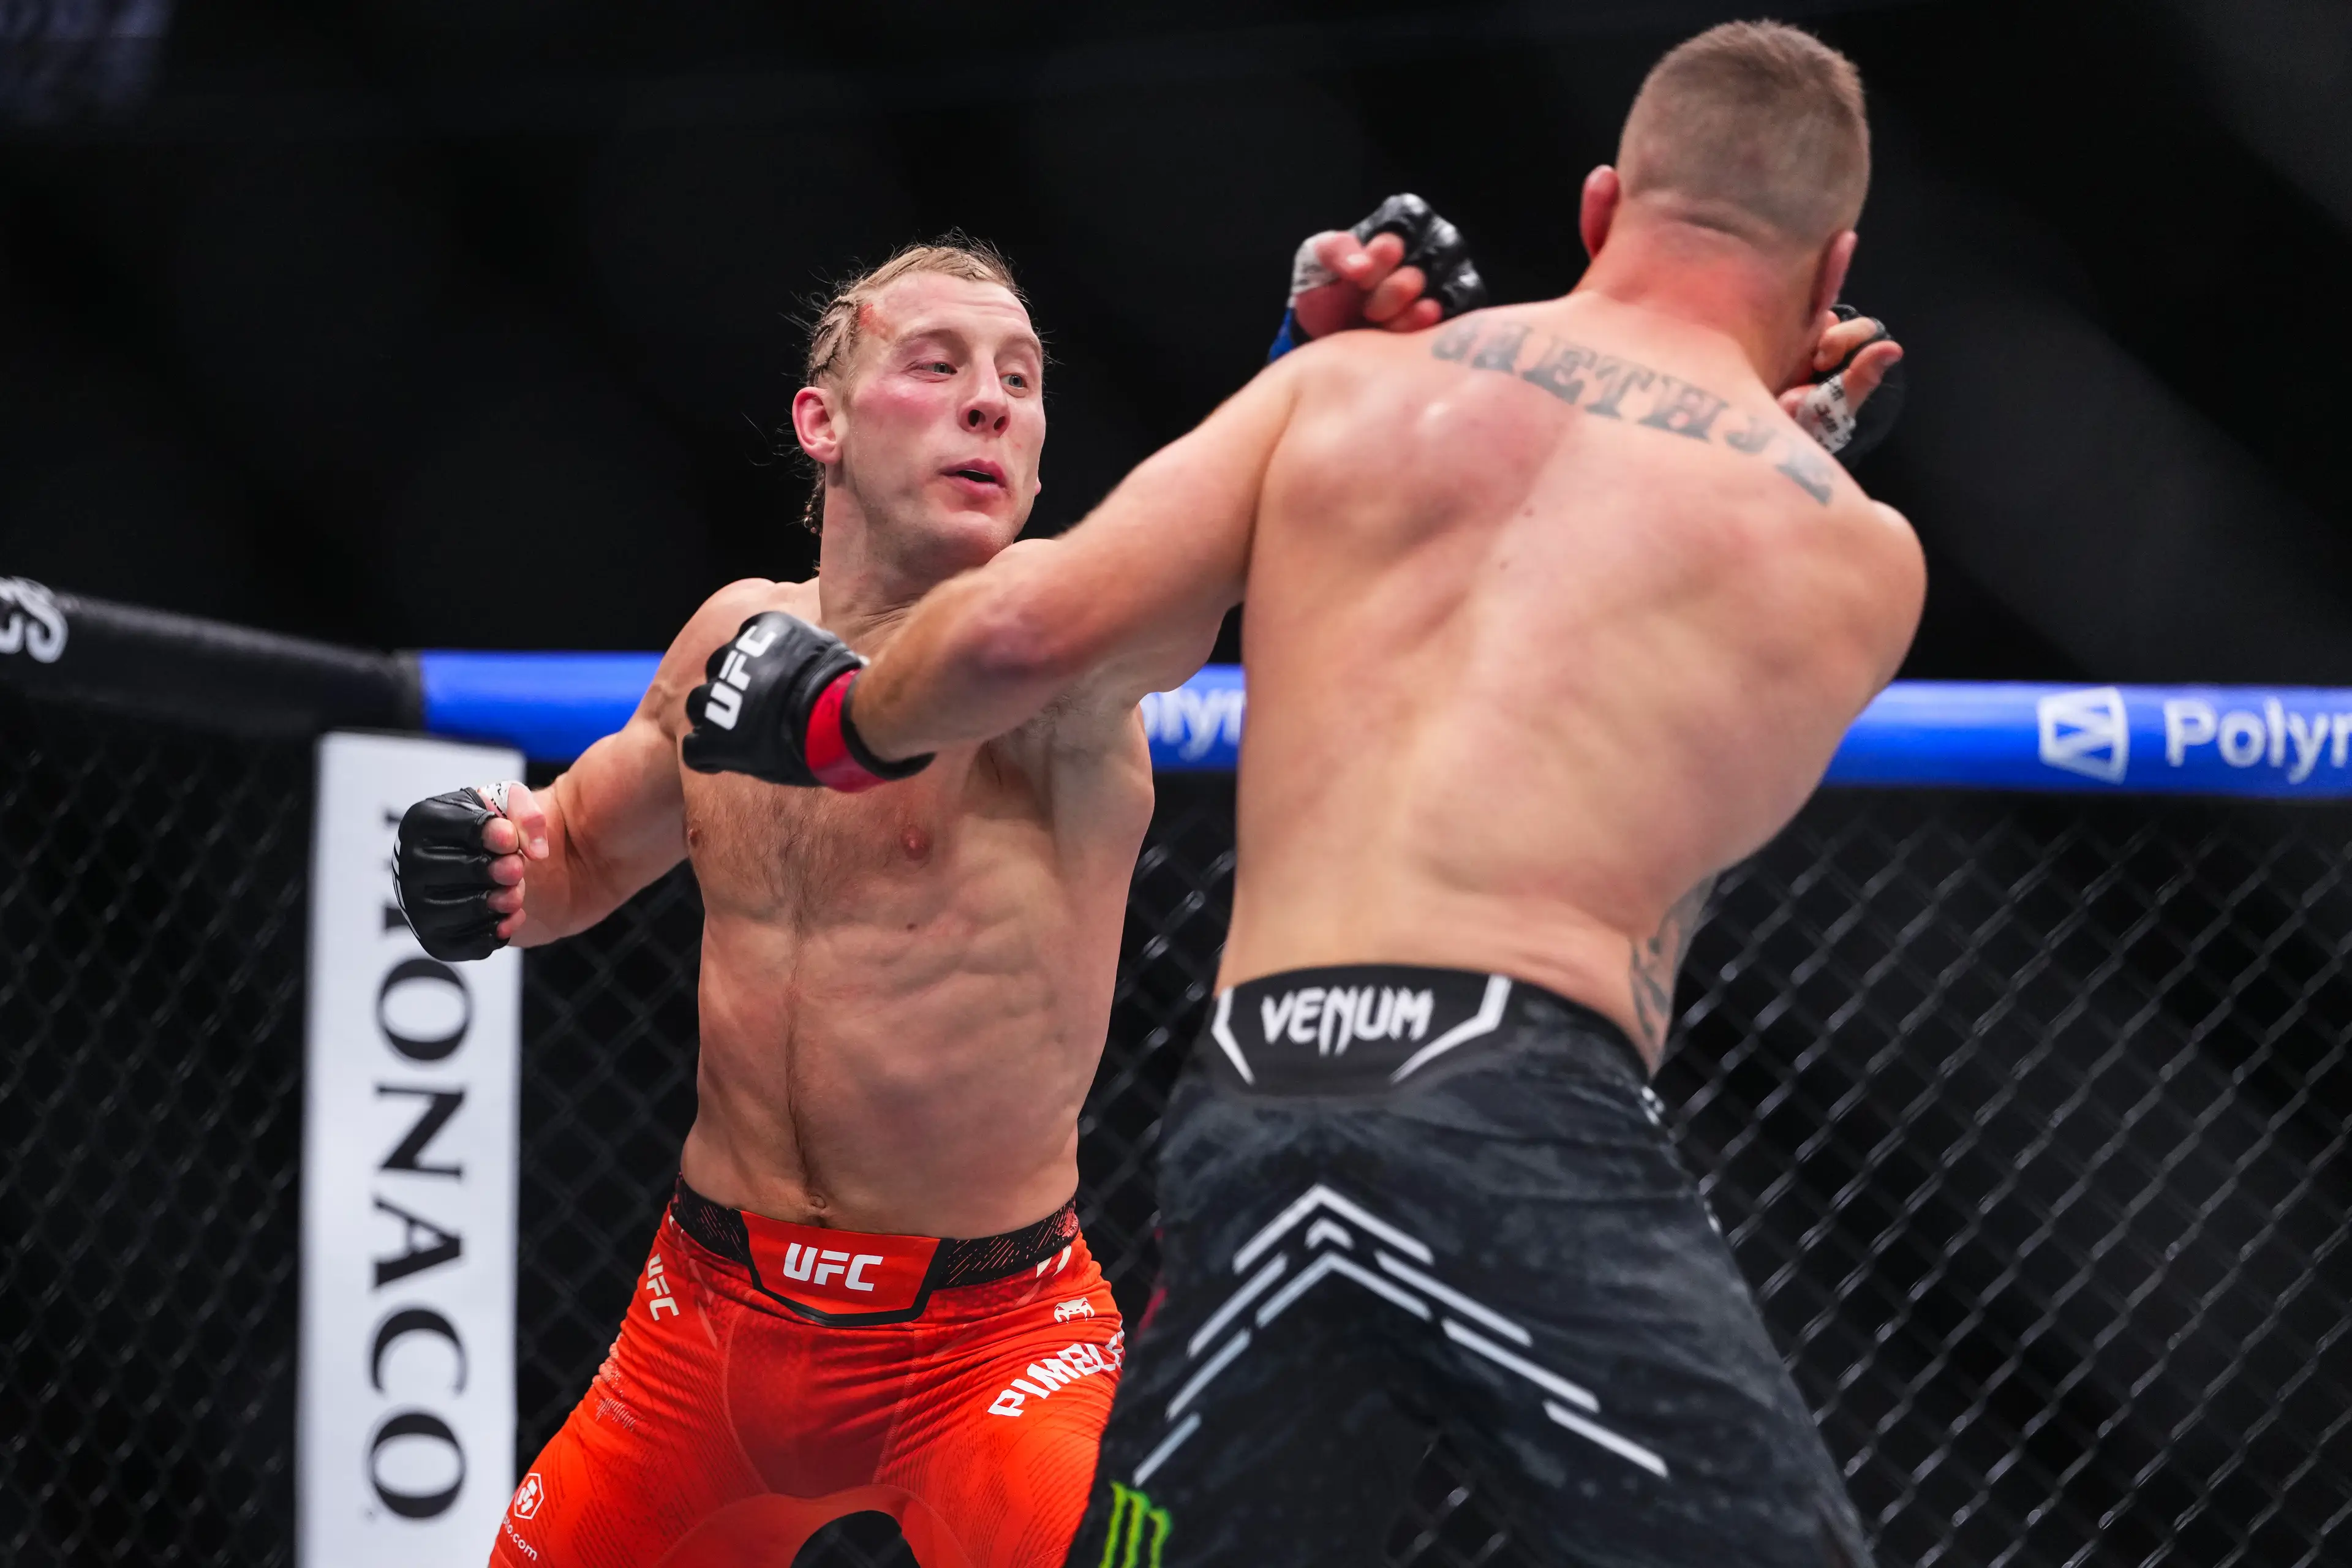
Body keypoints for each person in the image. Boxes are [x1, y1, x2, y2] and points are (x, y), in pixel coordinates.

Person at [717, 22, 1923, 1567]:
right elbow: (1675, 745)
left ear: (1604, 205)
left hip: (1261, 1101)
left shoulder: (1348, 393)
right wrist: (1798, 441)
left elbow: (1029, 626)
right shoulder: (1846, 548)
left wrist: (835, 720)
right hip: (1514, 1110)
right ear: (1835, 275)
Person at [390, 220, 1462, 1567]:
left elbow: (1195, 574)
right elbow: (579, 856)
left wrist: (1305, 374)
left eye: (1020, 378)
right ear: (820, 421)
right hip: (705, 1319)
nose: (989, 401)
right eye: (939, 364)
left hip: (987, 1343)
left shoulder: (1047, 658)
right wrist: (487, 865)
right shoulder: (733, 637)